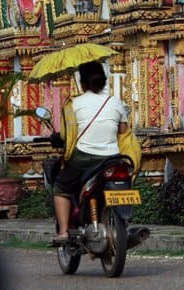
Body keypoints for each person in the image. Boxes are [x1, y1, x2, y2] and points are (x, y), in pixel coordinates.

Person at [51, 61, 128, 245]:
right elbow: (124, 130)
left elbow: (67, 135)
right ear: (103, 80)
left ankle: (63, 232)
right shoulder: (115, 102)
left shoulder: (74, 104)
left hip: (84, 158)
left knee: (61, 187)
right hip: (112, 157)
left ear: (83, 82)